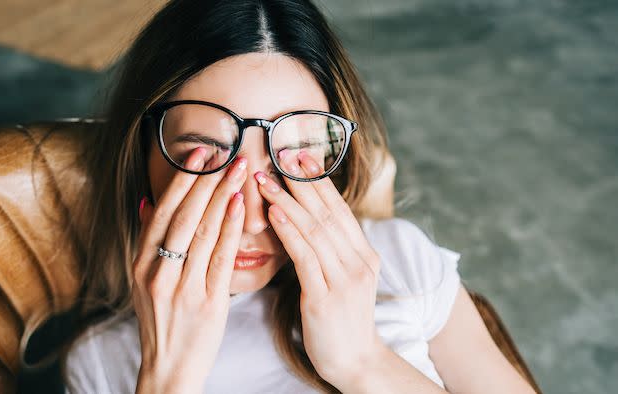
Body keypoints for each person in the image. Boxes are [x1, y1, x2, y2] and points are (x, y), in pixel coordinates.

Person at [60, 0, 537, 393]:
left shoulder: (400, 261)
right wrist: (166, 381)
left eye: (295, 157)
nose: (251, 219)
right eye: (207, 160)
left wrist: (363, 363)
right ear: (141, 158)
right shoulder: (102, 366)